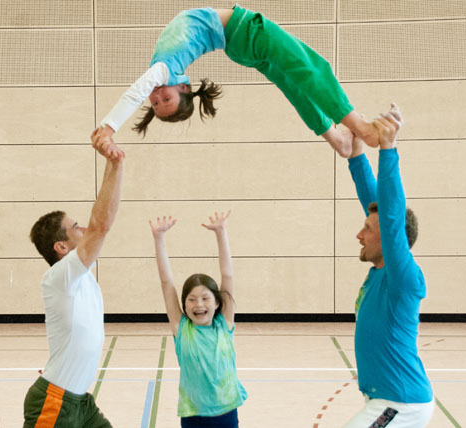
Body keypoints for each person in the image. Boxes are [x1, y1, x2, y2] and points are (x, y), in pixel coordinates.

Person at [98, 5, 382, 159]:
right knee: (311, 68)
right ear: (183, 87)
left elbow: (142, 93)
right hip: (245, 33)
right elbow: (135, 93)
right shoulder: (165, 70)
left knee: (292, 84)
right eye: (166, 100)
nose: (157, 96)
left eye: (157, 102)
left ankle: (336, 139)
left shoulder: (167, 69)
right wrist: (109, 128)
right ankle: (360, 128)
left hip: (239, 45)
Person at [22, 127, 124, 428]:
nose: (84, 230)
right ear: (61, 247)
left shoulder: (81, 274)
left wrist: (112, 161)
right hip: (55, 402)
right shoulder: (59, 276)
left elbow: (100, 225)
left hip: (80, 402)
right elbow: (101, 226)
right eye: (75, 227)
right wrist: (116, 164)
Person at [343, 103, 434, 427]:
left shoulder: (403, 277)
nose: (359, 233)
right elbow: (376, 202)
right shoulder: (380, 272)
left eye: (367, 230)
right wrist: (355, 156)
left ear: (391, 240)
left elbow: (390, 218)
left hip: (400, 403)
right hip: (386, 400)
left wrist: (388, 147)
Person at [149, 211, 247, 428]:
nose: (199, 304)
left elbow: (228, 276)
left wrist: (221, 233)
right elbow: (167, 282)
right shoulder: (181, 327)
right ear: (184, 305)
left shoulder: (224, 324)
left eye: (205, 298)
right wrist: (159, 238)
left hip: (226, 410)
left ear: (217, 302)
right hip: (193, 415)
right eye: (191, 299)